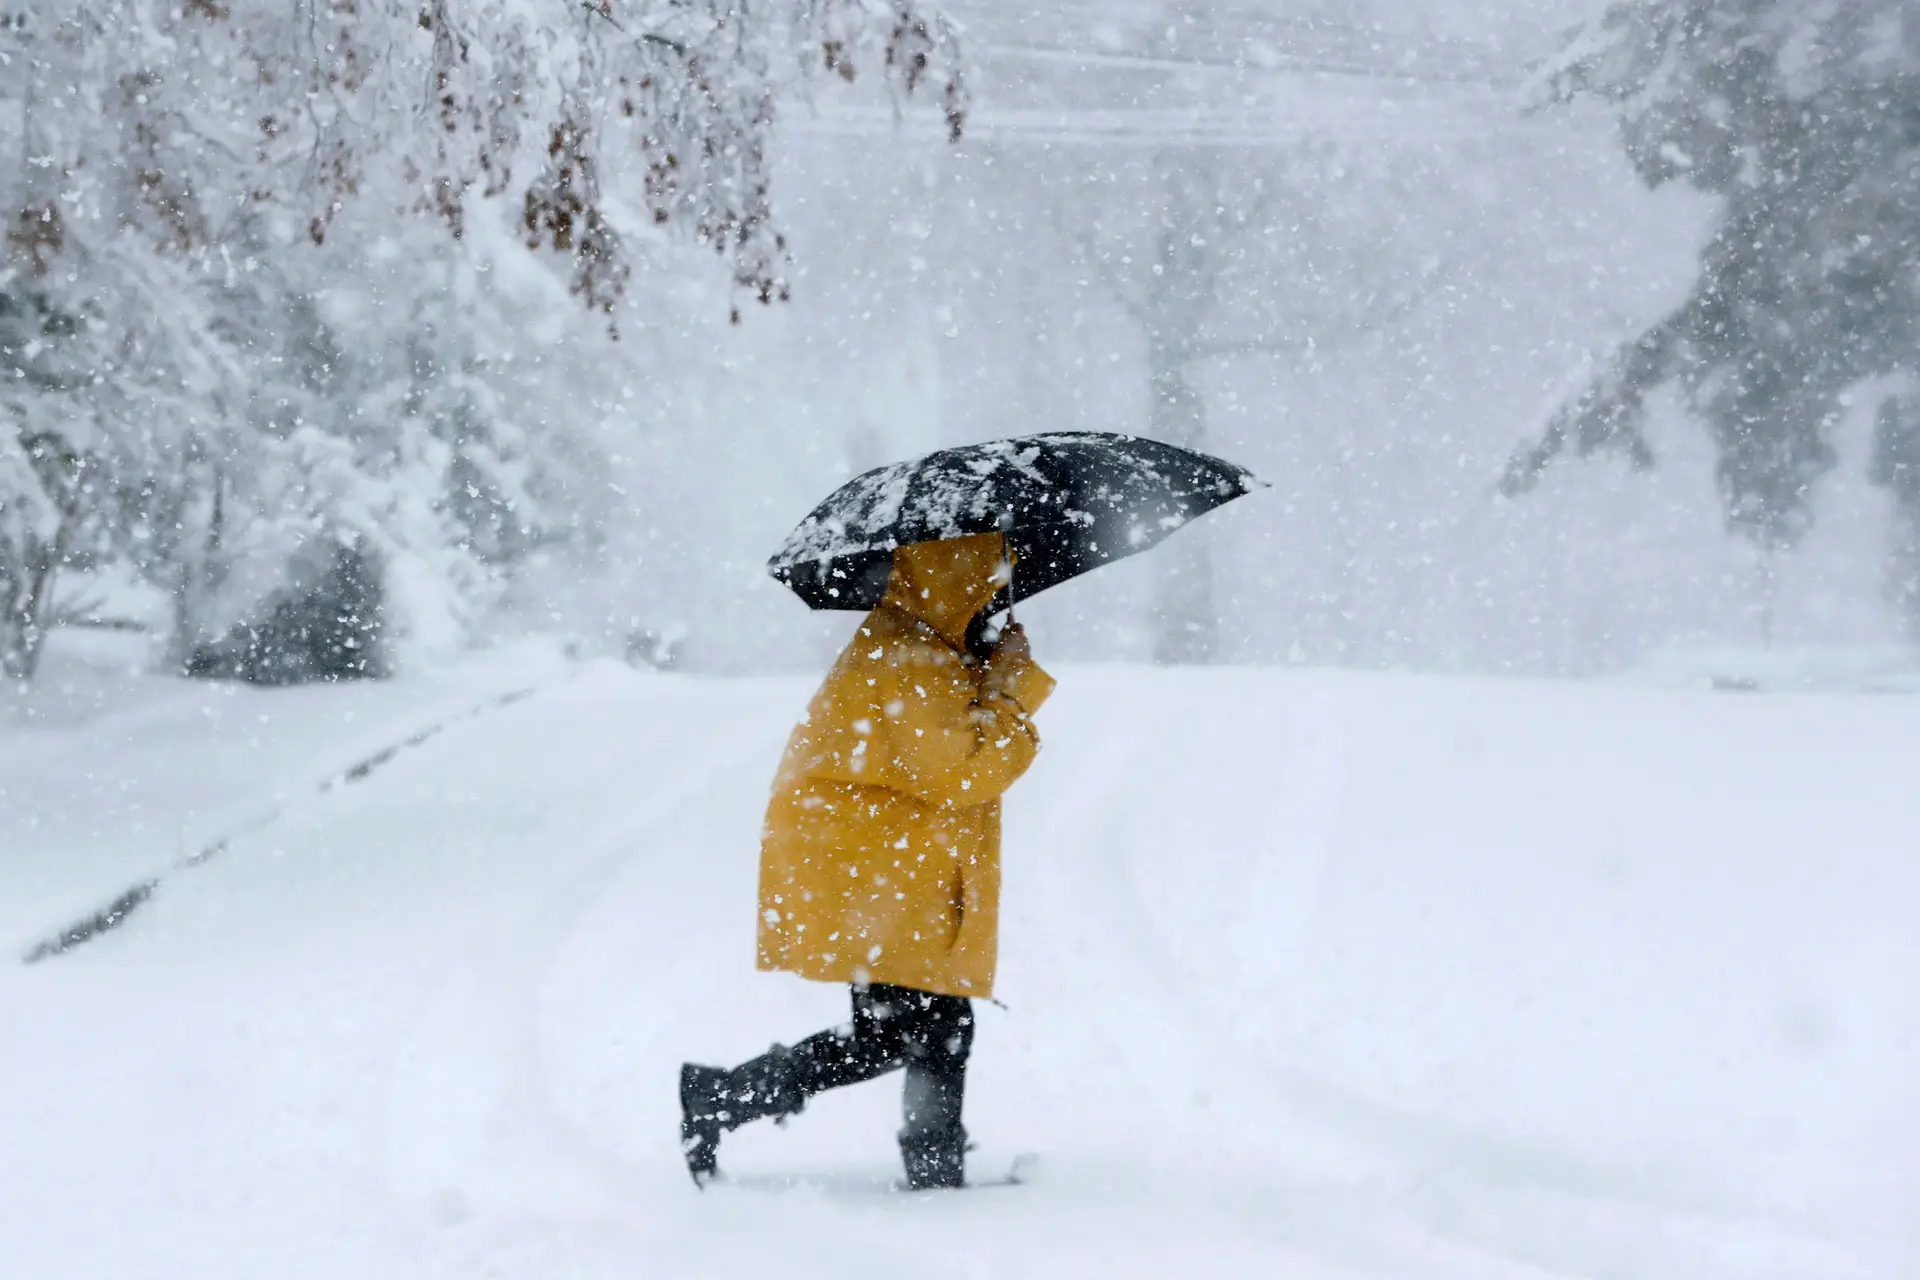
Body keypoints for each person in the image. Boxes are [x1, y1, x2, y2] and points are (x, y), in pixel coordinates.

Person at [679, 532, 1055, 1189]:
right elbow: (963, 771)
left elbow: (943, 743)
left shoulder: (918, 642)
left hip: (878, 861)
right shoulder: (909, 652)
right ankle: (934, 1171)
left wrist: (987, 671)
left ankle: (722, 1097)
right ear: (953, 572)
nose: (996, 586)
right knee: (936, 1023)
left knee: (895, 1029)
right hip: (879, 864)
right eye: (986, 572)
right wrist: (1009, 693)